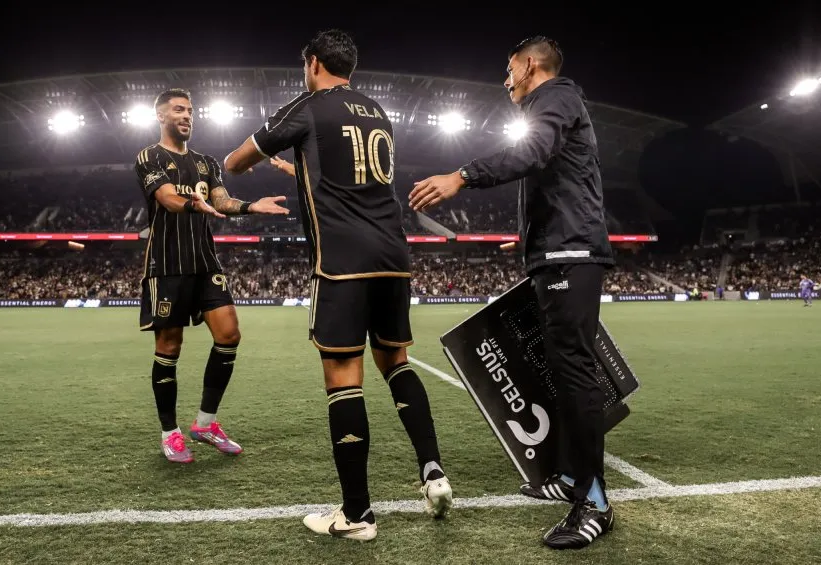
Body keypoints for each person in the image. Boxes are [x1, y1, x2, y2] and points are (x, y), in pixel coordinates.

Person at [224, 29, 452, 541]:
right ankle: (433, 471)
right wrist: (297, 166)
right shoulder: (377, 111)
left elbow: (234, 162)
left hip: (343, 262)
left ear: (312, 63)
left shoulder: (307, 105)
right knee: (396, 362)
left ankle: (356, 516)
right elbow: (346, 179)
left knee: (343, 378)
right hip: (394, 257)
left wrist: (263, 153)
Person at [409, 36, 615, 549]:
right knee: (561, 371)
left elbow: (534, 151)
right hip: (556, 251)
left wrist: (462, 175)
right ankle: (570, 476)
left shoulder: (558, 96)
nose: (505, 78)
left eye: (508, 67)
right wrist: (525, 237)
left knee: (574, 370)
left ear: (528, 64)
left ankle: (595, 501)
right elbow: (554, 172)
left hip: (572, 253)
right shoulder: (553, 104)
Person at [134, 88, 290, 464]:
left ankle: (205, 423)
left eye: (190, 110)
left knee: (229, 335)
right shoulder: (149, 156)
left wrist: (252, 206)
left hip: (206, 264)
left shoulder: (206, 163)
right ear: (161, 116)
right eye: (178, 110)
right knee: (169, 349)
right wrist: (194, 203)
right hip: (167, 265)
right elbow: (168, 198)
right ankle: (170, 433)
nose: (187, 116)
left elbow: (221, 201)